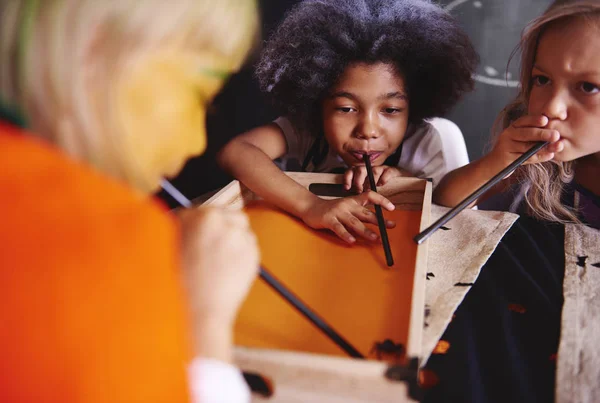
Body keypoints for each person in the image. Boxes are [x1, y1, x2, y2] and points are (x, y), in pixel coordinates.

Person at [0, 1, 260, 402]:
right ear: (94, 50)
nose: (198, 141)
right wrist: (204, 323)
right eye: (201, 94)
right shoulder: (110, 233)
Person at [423, 1, 600, 401]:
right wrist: (496, 162)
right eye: (542, 79)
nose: (551, 108)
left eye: (587, 87)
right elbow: (446, 204)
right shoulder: (527, 139)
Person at [218, 0, 478, 244]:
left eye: (390, 109)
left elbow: (444, 208)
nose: (367, 130)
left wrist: (401, 178)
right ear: (316, 100)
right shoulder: (307, 132)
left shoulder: (427, 142)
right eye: (346, 108)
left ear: (415, 104)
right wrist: (311, 206)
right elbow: (235, 152)